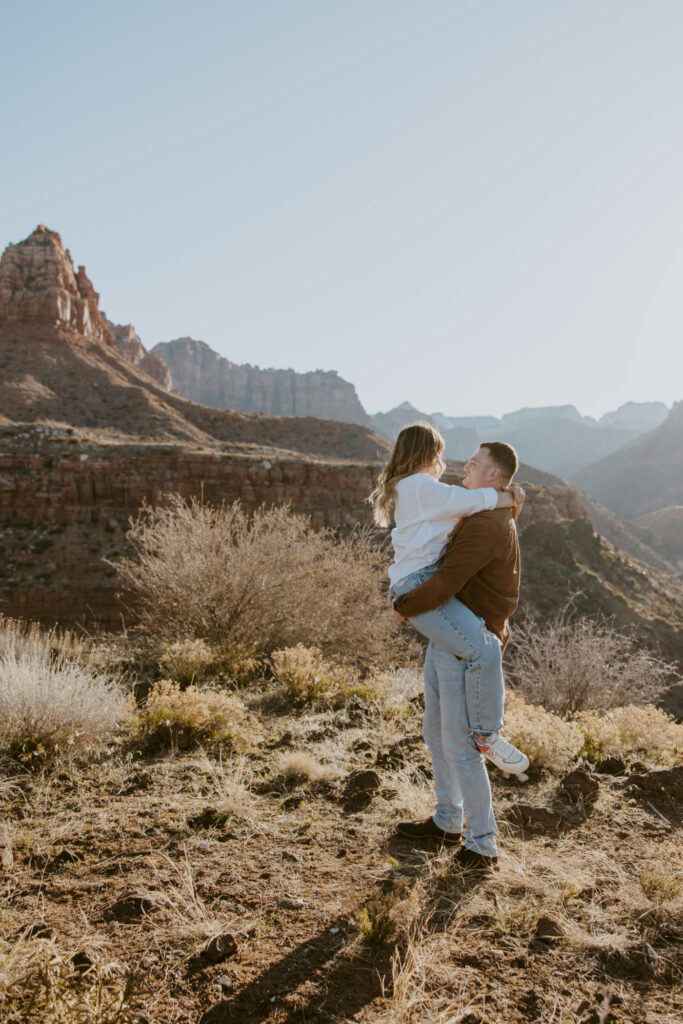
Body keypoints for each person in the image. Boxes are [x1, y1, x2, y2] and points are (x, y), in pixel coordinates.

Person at [391, 440, 526, 870]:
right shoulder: (484, 508)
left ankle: (483, 843)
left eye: (475, 462)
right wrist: (510, 497)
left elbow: (447, 579)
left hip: (468, 635)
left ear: (492, 476)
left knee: (460, 744)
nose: (464, 465)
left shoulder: (487, 523)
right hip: (450, 630)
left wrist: (403, 607)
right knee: (435, 731)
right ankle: (448, 820)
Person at [370, 425, 528, 774]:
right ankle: (487, 734)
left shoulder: (416, 489)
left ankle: (448, 815)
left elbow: (466, 511)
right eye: (439, 453)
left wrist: (509, 501)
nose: (446, 461)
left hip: (416, 582)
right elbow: (474, 501)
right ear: (426, 455)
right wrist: (510, 497)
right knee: (484, 649)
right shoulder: (421, 486)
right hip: (419, 586)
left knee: (440, 716)